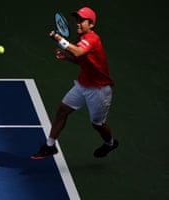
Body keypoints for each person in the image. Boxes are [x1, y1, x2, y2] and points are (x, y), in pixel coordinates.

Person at [31, 7, 118, 160]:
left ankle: (110, 143)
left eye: (81, 20)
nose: (77, 23)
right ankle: (50, 146)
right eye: (77, 20)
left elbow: (78, 52)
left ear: (91, 24)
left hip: (99, 90)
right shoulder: (82, 41)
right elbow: (80, 60)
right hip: (83, 85)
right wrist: (66, 57)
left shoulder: (92, 39)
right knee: (61, 111)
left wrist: (59, 39)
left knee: (97, 124)